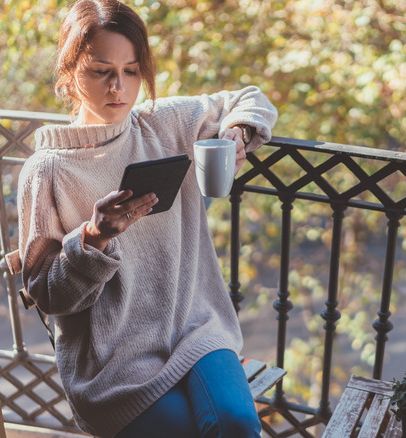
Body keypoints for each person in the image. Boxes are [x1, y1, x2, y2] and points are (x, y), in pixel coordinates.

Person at [16, 1, 278, 437]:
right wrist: (93, 240)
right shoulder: (47, 171)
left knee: (236, 423)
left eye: (132, 70)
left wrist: (239, 130)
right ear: (70, 71)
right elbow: (46, 294)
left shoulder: (164, 124)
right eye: (102, 70)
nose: (119, 87)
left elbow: (249, 97)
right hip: (111, 363)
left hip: (195, 327)